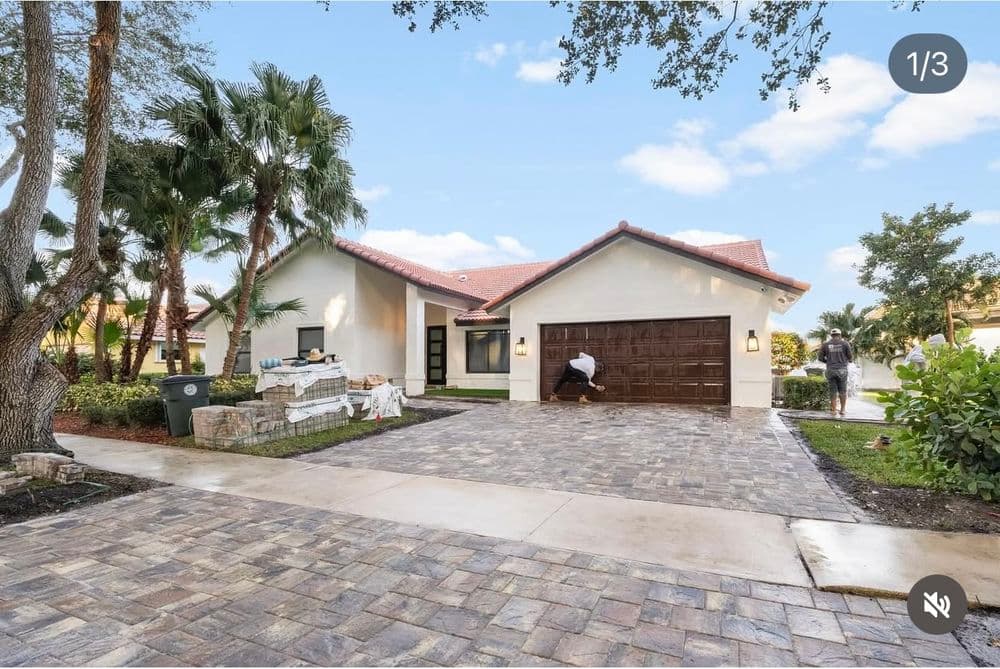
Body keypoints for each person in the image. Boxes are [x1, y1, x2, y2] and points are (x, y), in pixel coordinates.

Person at [818, 328, 853, 416]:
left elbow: (820, 358)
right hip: (842, 370)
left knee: (833, 391)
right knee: (842, 391)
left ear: (831, 335)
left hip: (830, 370)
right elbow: (850, 357)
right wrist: (848, 360)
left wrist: (828, 361)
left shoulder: (825, 344)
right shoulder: (845, 344)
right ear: (840, 335)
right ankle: (842, 410)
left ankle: (833, 410)